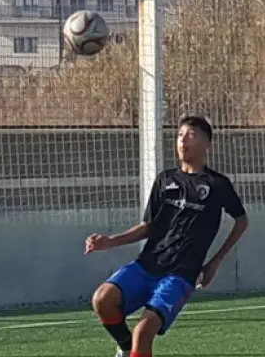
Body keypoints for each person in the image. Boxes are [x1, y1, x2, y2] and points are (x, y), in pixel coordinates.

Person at [85, 116, 250, 357]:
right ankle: (125, 348)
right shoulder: (165, 180)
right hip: (148, 264)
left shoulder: (217, 184)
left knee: (143, 332)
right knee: (102, 299)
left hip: (180, 275)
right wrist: (110, 242)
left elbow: (241, 221)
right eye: (180, 135)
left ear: (207, 144)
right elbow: (148, 226)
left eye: (191, 135)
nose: (183, 140)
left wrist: (214, 262)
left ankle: (132, 347)